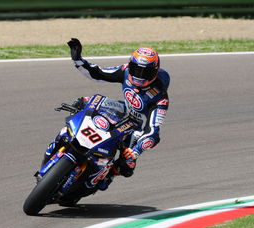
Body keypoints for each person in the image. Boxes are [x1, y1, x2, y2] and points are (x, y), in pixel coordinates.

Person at [41, 38, 170, 191]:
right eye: (136, 69)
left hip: (135, 128)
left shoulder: (160, 98)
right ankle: (61, 146)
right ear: (130, 65)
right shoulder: (125, 71)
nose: (139, 75)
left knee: (127, 166)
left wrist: (135, 151)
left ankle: (105, 176)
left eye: (145, 71)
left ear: (154, 71)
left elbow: (153, 131)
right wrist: (77, 59)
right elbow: (99, 73)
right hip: (122, 111)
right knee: (86, 102)